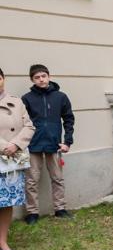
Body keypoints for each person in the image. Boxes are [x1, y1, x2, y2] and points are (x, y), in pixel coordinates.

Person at [21, 64, 74, 224]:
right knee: (31, 180)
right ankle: (32, 213)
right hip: (33, 145)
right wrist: (23, 143)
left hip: (54, 144)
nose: (41, 79)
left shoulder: (60, 97)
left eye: (43, 76)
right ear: (32, 80)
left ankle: (60, 209)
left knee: (57, 178)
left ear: (49, 76)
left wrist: (67, 141)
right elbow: (23, 122)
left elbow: (69, 119)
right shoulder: (27, 99)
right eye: (37, 77)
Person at [0, 67, 35, 250]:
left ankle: (3, 242)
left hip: (12, 160)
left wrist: (15, 144)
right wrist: (3, 146)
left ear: (3, 79)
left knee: (6, 202)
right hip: (2, 152)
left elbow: (29, 126)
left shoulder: (16, 101)